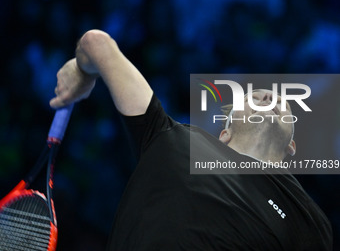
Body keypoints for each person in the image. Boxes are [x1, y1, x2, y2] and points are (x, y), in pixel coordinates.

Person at [50, 29, 332, 250]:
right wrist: (81, 69)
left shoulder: (307, 217)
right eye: (253, 97)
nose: (268, 96)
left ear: (291, 146)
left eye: (281, 102)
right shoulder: (168, 136)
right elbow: (97, 44)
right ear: (225, 134)